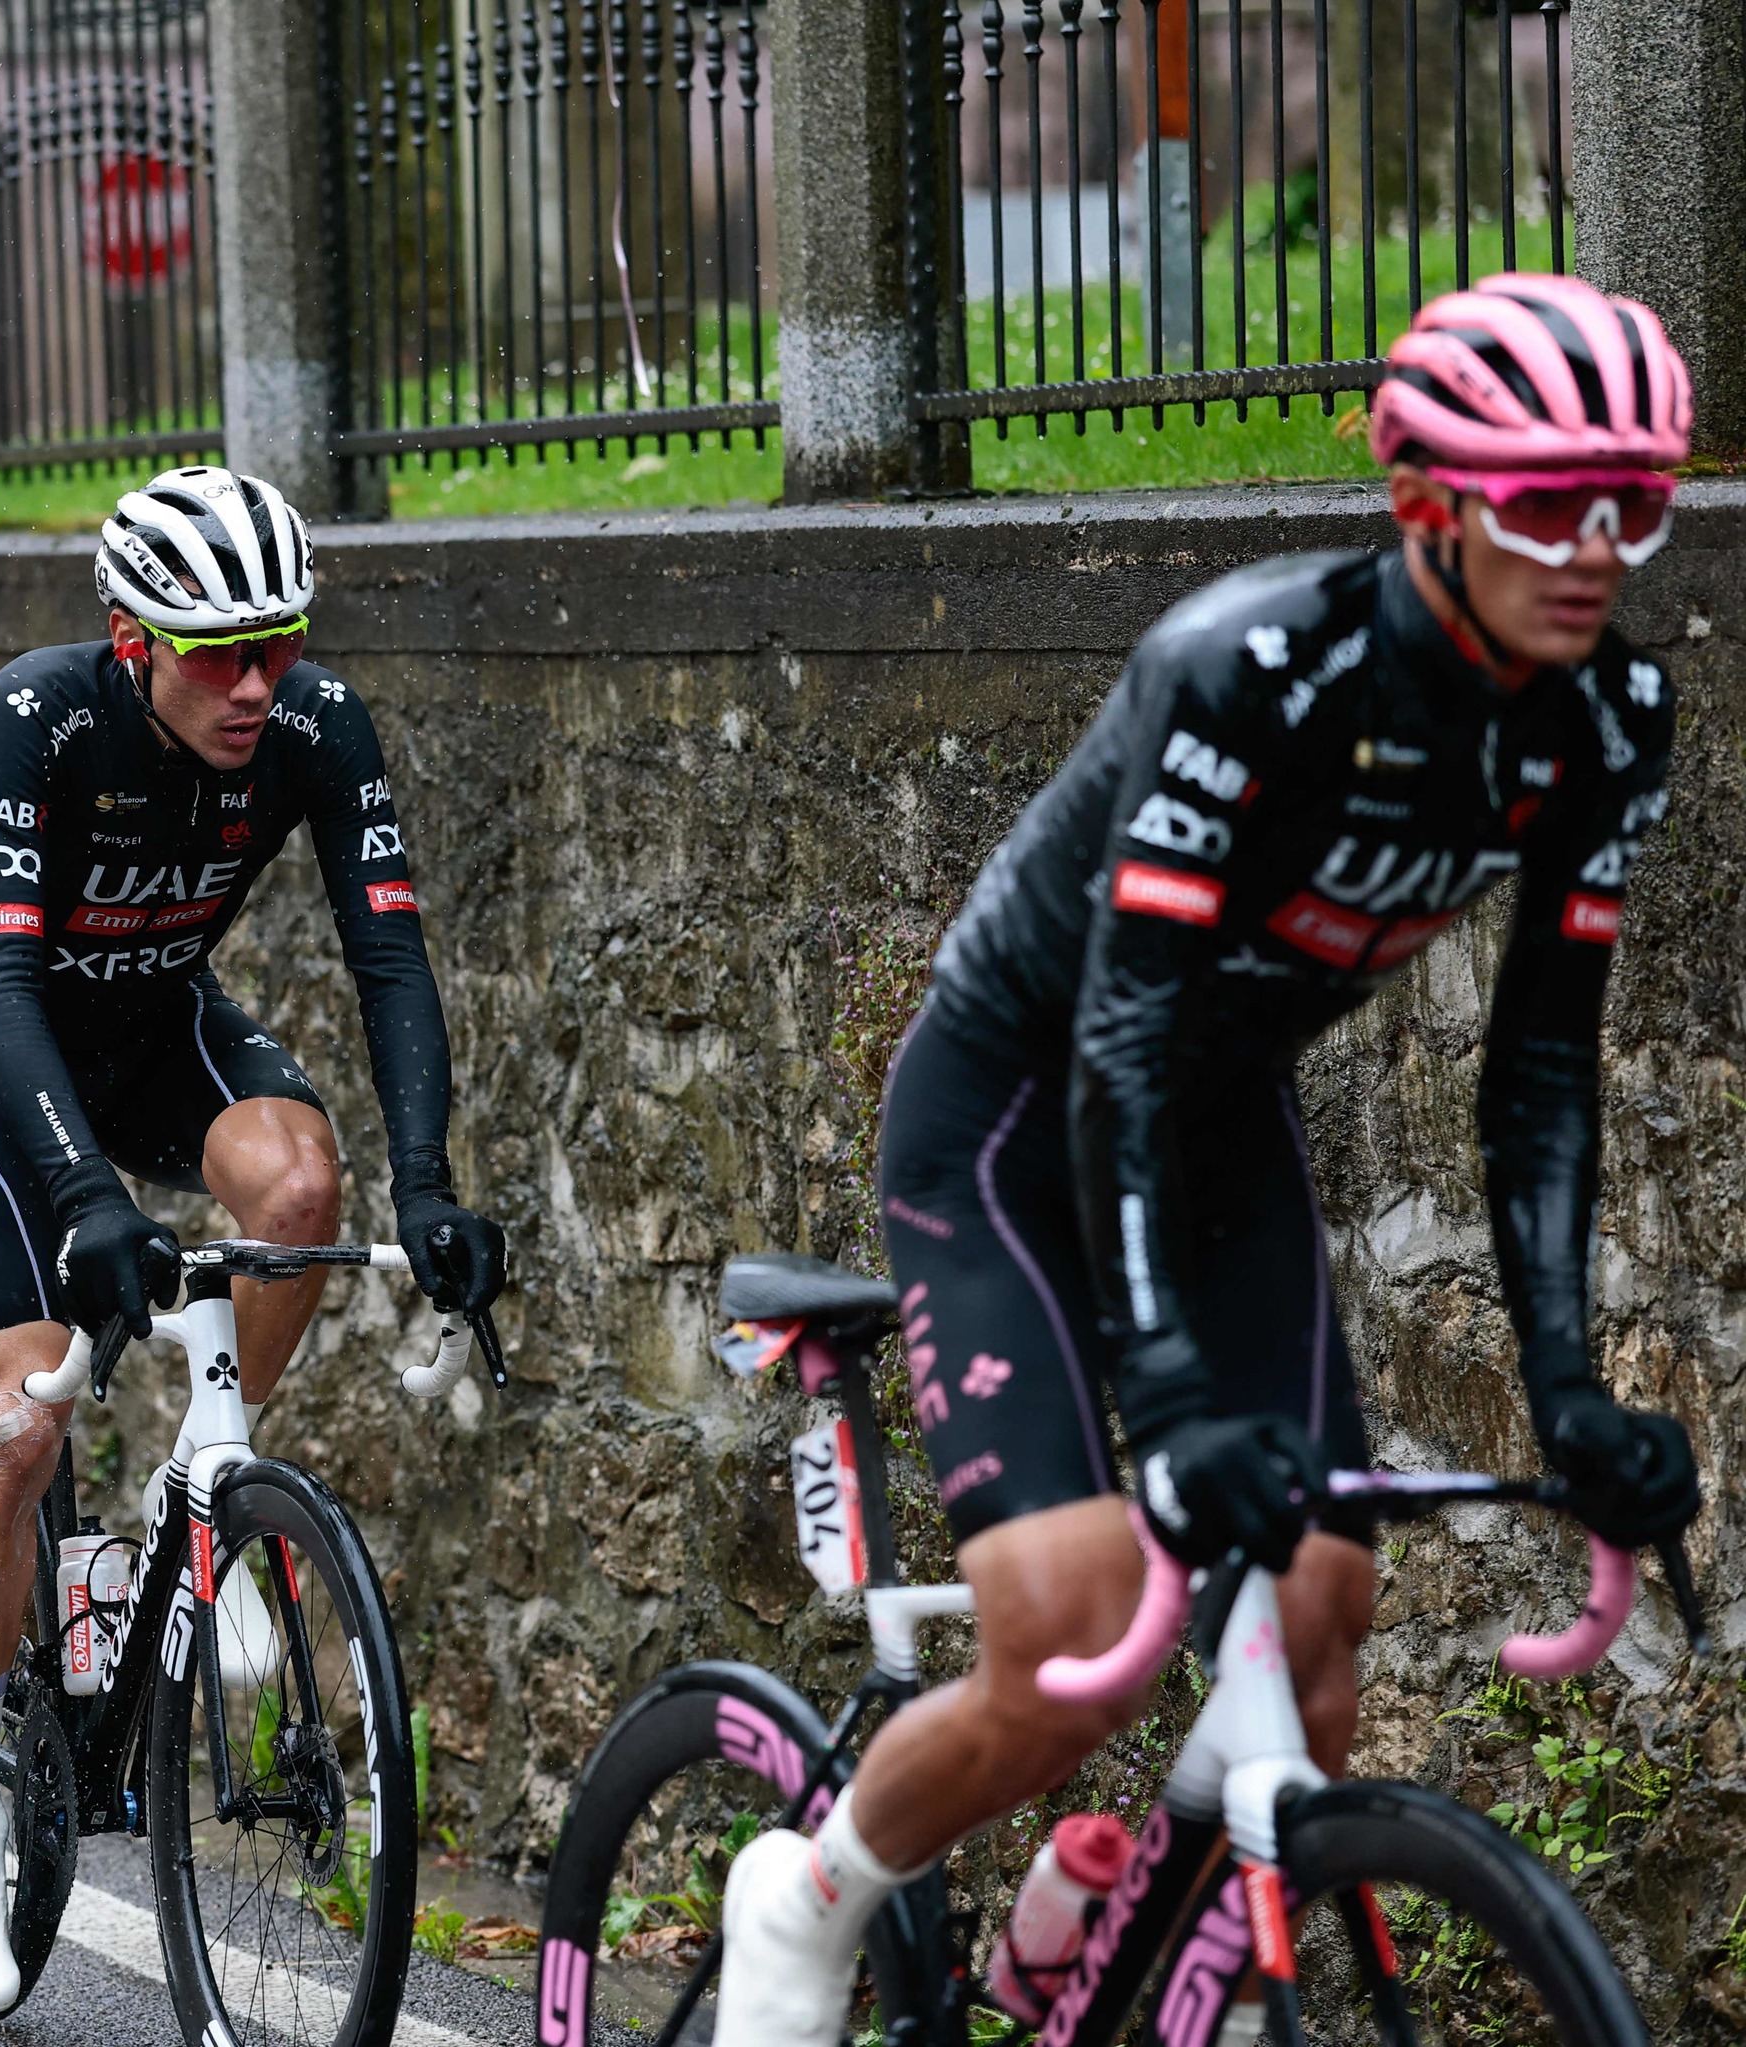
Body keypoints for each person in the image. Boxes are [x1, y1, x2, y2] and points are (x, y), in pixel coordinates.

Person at [714, 274, 1709, 2046]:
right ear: (1424, 503)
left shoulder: (1602, 718)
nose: (1598, 549)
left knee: (1320, 1603)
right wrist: (1167, 1395)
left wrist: (1567, 1391)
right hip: (1020, 1107)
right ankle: (805, 1893)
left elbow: (1541, 1072)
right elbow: (1116, 1043)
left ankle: (1121, 1958)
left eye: (1631, 502)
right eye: (1549, 502)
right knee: (1074, 1618)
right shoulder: (1243, 672)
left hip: (1217, 1112)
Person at [0, 464, 508, 2013]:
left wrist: (427, 1182)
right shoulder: (32, 723)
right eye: (219, 653)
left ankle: (204, 1500)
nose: (257, 684)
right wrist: (89, 1194)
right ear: (129, 638)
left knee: (302, 1194)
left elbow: (389, 959)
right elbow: (4, 990)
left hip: (160, 1024)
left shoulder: (317, 726)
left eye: (280, 645)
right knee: (16, 1419)